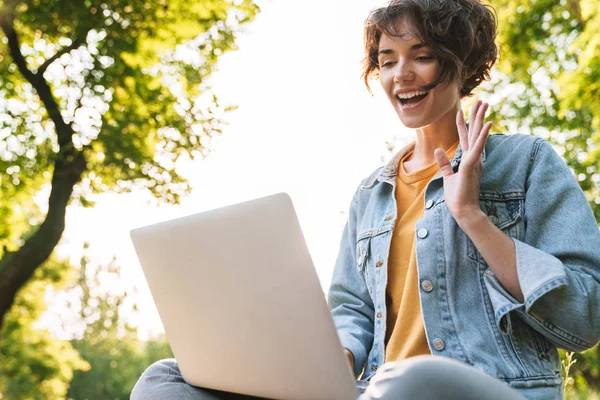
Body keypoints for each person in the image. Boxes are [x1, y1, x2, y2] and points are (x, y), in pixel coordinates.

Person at [131, 0, 600, 399]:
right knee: (167, 381)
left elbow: (586, 315)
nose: (402, 75)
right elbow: (352, 308)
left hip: (483, 387)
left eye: (422, 55)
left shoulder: (526, 163)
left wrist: (472, 215)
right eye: (387, 59)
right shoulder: (372, 194)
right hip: (377, 390)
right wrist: (333, 359)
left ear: (460, 59)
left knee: (413, 380)